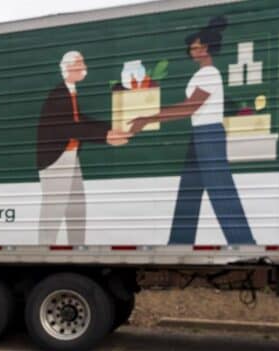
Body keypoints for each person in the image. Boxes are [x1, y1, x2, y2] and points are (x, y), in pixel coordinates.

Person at [129, 16, 257, 245]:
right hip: (200, 133)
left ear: (206, 49)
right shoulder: (203, 74)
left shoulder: (209, 74)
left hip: (208, 134)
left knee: (221, 192)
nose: (191, 51)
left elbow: (190, 107)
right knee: (188, 192)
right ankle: (178, 243)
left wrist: (148, 118)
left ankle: (244, 244)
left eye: (195, 47)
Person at [36, 50, 130, 246]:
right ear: (69, 68)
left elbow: (80, 120)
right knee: (54, 210)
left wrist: (109, 130)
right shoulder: (59, 95)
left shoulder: (70, 92)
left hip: (70, 157)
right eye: (80, 63)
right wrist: (105, 136)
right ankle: (44, 248)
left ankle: (76, 247)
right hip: (57, 160)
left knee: (76, 207)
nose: (84, 67)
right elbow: (69, 127)